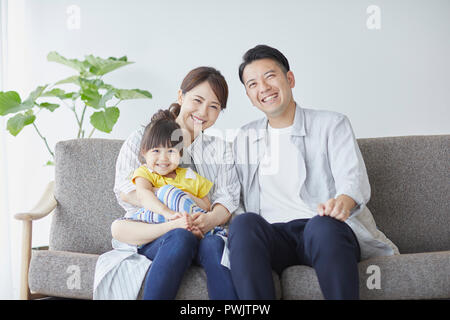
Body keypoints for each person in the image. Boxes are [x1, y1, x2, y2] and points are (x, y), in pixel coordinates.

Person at [229, 45, 399, 300]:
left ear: (290, 79)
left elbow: (352, 178)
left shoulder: (331, 124)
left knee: (323, 226)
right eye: (252, 84)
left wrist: (342, 202)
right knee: (243, 223)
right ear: (249, 95)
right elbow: (234, 197)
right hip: (273, 237)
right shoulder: (244, 137)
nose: (263, 87)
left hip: (322, 231)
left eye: (270, 76)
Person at [111, 66, 239, 300]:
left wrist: (207, 220)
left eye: (214, 106)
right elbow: (126, 188)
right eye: (197, 100)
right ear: (181, 97)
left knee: (214, 247)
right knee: (181, 236)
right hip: (152, 232)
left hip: (205, 230)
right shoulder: (144, 136)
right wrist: (175, 208)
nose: (203, 112)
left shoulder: (220, 149)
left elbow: (227, 197)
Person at [126, 108, 225, 238]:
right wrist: (168, 213)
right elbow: (143, 195)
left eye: (171, 151)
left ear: (180, 154)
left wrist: (185, 195)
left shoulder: (190, 176)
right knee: (167, 192)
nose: (163, 158)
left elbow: (206, 206)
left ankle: (193, 230)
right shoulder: (145, 173)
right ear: (144, 152)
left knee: (179, 198)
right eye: (156, 151)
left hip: (189, 221)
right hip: (161, 225)